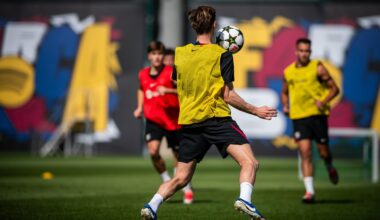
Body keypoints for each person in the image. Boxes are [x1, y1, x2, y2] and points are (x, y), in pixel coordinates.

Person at [141, 6, 277, 220]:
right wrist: (255, 110)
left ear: (194, 25)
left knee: (182, 177)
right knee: (250, 163)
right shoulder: (222, 54)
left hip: (190, 123)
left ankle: (152, 205)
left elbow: (176, 81)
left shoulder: (180, 53)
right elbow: (228, 96)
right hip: (217, 120)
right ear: (214, 25)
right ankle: (245, 199)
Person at [134, 41, 194, 205]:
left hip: (174, 121)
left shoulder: (171, 72)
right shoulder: (143, 73)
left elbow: (185, 90)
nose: (157, 57)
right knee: (153, 151)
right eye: (154, 54)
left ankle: (187, 189)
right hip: (154, 119)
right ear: (149, 56)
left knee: (179, 158)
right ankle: (167, 180)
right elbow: (141, 88)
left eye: (160, 54)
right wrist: (139, 107)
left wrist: (168, 90)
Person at [281, 38, 340, 203]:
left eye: (307, 51)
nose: (304, 53)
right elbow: (284, 92)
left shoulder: (318, 68)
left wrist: (324, 101)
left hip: (317, 115)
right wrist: (286, 106)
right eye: (301, 50)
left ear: (310, 52)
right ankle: (309, 192)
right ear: (296, 51)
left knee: (323, 152)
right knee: (305, 153)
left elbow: (335, 89)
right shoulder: (288, 71)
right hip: (299, 117)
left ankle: (329, 166)